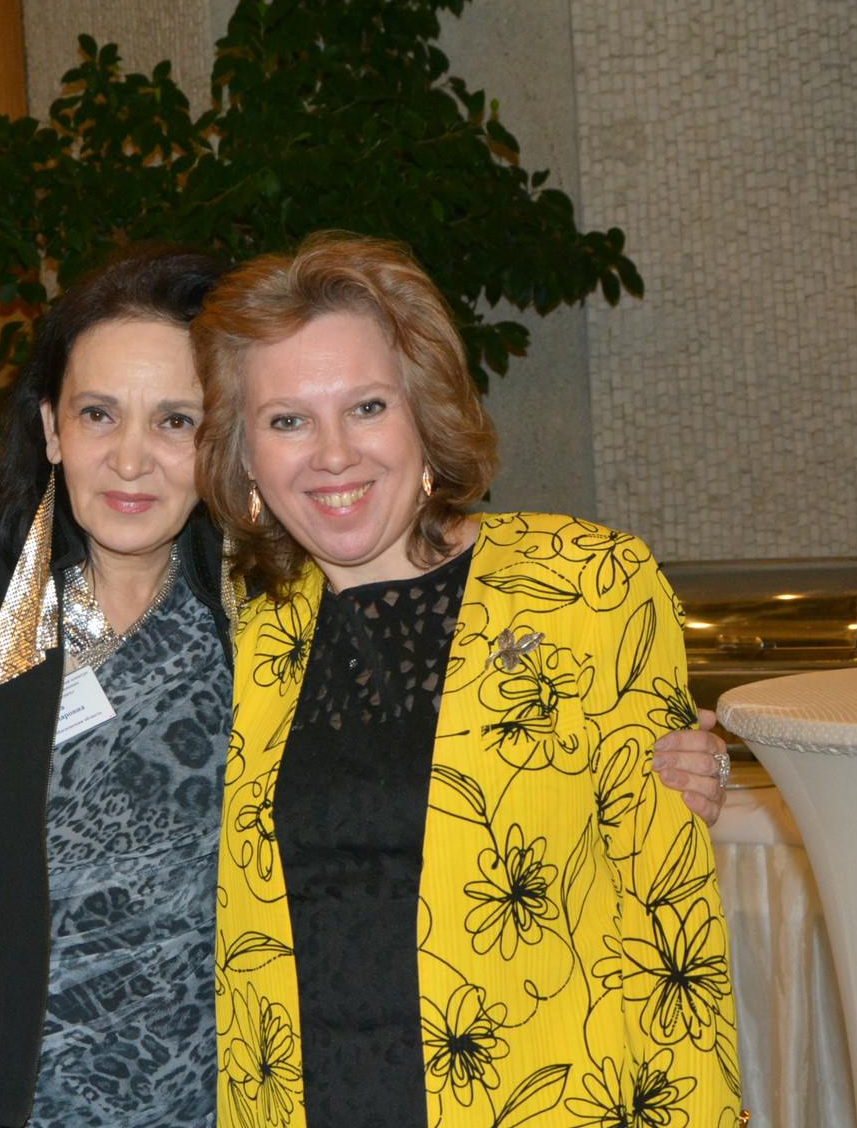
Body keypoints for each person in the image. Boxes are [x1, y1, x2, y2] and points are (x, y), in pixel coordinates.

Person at [0, 245, 734, 1128]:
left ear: (217, 447)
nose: (130, 459)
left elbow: (458, 720)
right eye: (98, 414)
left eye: (175, 420)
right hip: (26, 1097)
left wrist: (658, 752)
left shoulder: (258, 592)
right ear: (52, 425)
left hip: (238, 1091)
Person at [193, 233, 743, 1128]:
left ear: (424, 413)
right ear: (245, 456)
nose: (332, 454)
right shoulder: (249, 636)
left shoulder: (584, 583)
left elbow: (669, 923)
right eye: (287, 420)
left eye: (367, 407)